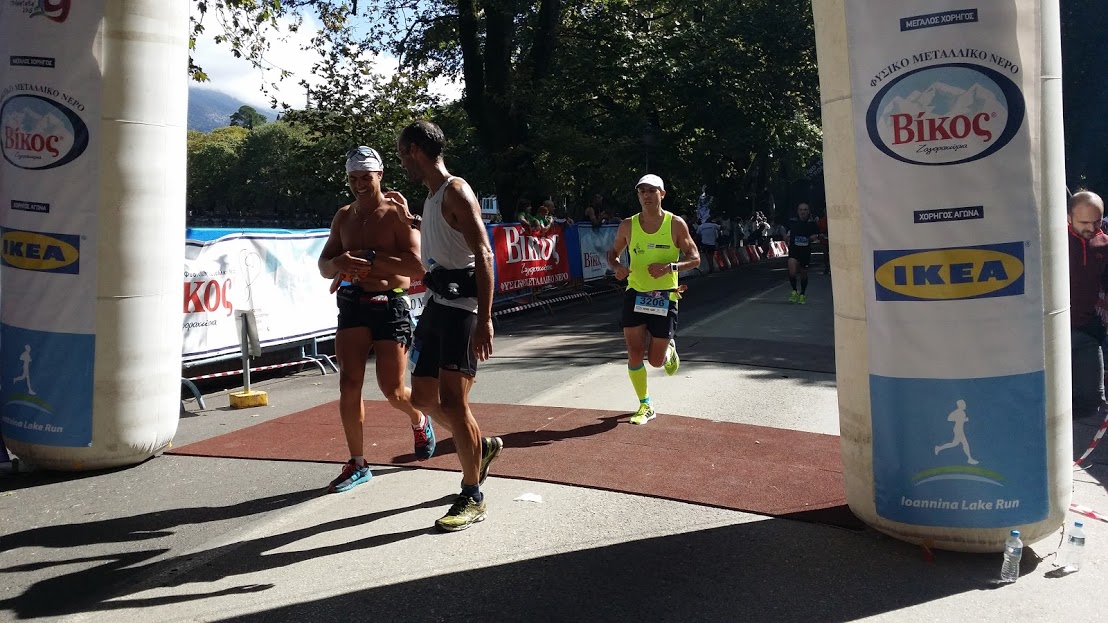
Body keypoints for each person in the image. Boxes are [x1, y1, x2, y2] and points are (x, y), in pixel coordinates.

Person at [394, 120, 504, 532]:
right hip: (437, 307)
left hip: (463, 310)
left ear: (416, 150)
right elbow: (446, 237)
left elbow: (483, 254)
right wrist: (414, 221)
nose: (401, 161)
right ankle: (478, 446)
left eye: (402, 153)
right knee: (423, 397)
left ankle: (472, 494)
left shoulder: (457, 190)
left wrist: (485, 319)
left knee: (455, 404)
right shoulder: (433, 196)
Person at [317, 146, 435, 494]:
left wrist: (371, 258)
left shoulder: (396, 214)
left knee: (392, 390)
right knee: (349, 383)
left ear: (380, 176)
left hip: (390, 305)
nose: (359, 185)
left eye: (365, 178)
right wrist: (338, 263)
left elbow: (418, 267)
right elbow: (324, 266)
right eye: (353, 179)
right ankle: (357, 462)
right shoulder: (344, 216)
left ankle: (419, 419)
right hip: (353, 303)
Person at [607, 174, 701, 425]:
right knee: (634, 352)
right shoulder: (628, 225)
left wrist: (670, 267)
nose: (646, 195)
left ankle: (669, 349)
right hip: (636, 294)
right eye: (642, 191)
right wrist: (617, 267)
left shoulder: (675, 224)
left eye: (652, 190)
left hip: (665, 296)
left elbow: (695, 259)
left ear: (662, 194)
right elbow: (613, 254)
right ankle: (645, 404)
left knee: (656, 362)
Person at [1068, 190, 1108, 415]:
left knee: (1093, 399)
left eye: (1097, 221)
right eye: (1084, 222)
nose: (1091, 228)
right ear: (1068, 217)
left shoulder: (1104, 244)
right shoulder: (1053, 240)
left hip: (1088, 331)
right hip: (1051, 332)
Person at [785, 203, 821, 304]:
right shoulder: (792, 221)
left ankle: (802, 294)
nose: (803, 212)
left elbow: (817, 234)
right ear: (798, 211)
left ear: (808, 211)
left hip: (805, 251)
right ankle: (794, 291)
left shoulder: (812, 223)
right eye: (801, 210)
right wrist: (786, 237)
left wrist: (814, 237)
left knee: (803, 273)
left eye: (805, 210)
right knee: (792, 270)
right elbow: (786, 232)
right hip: (794, 249)